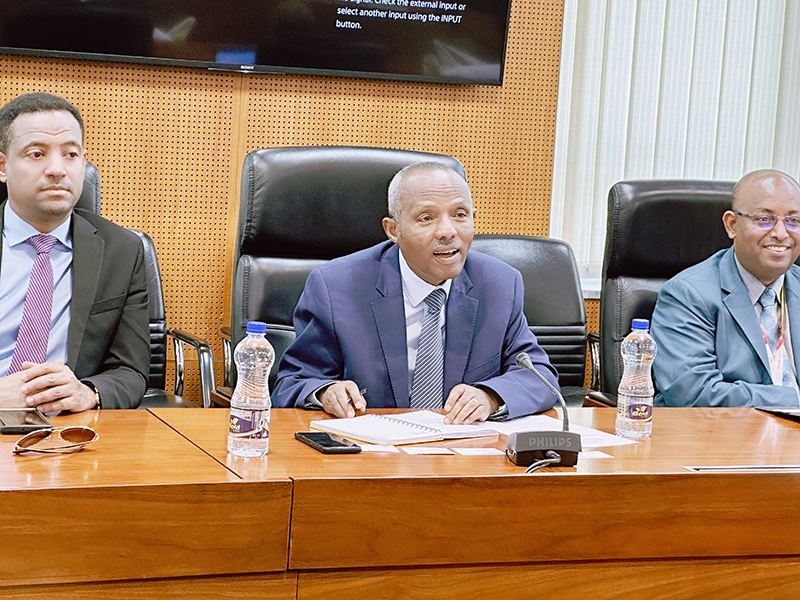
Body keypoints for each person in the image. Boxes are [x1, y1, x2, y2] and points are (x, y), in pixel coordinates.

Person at [273, 162, 559, 423]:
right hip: (371, 453)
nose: (447, 231)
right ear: (393, 230)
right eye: (426, 218)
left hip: (464, 450)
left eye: (460, 215)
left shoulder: (499, 284)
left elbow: (539, 376)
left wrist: (490, 397)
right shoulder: (336, 286)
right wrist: (326, 392)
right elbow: (293, 382)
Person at [0, 92, 149, 412]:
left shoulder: (122, 250)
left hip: (69, 427)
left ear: (83, 162)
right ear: (3, 166)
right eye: (37, 153)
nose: (57, 169)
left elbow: (131, 371)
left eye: (70, 154)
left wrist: (88, 393)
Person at [651, 169, 800, 407]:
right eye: (765, 219)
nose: (781, 234)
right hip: (718, 429)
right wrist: (794, 399)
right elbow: (692, 393)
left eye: (793, 221)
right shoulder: (688, 294)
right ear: (732, 225)